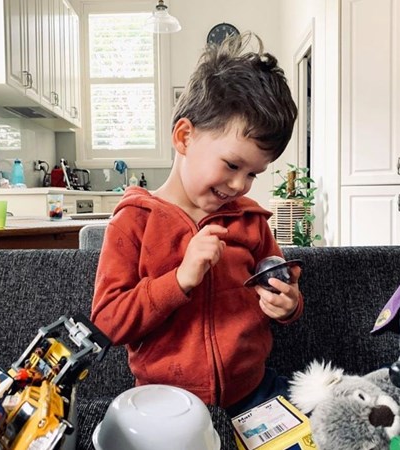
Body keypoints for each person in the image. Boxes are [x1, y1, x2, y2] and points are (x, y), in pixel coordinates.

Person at [90, 32, 301, 417]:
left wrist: (288, 305)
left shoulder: (250, 220)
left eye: (254, 173)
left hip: (253, 393)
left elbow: (281, 280)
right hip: (165, 405)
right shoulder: (134, 222)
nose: (239, 185)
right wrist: (180, 279)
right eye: (232, 165)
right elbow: (108, 322)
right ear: (185, 136)